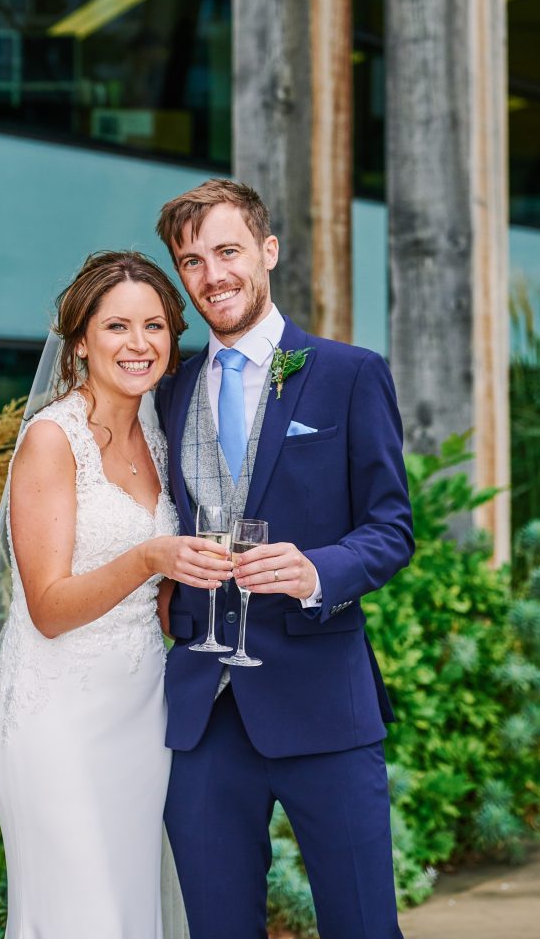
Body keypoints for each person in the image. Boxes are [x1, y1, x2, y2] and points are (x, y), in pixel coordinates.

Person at [154, 180, 415, 939]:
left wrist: (316, 573)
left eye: (227, 251)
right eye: (191, 261)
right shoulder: (168, 390)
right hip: (203, 715)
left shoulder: (347, 373)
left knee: (363, 926)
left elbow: (390, 528)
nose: (212, 276)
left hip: (324, 707)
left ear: (266, 252)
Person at [0, 251, 231, 938]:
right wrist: (149, 558)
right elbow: (48, 608)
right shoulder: (52, 441)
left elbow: (159, 600)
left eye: (156, 327)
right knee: (85, 917)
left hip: (139, 716)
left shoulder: (163, 437)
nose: (138, 345)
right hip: (58, 719)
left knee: (131, 911)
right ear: (80, 341)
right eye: (116, 327)